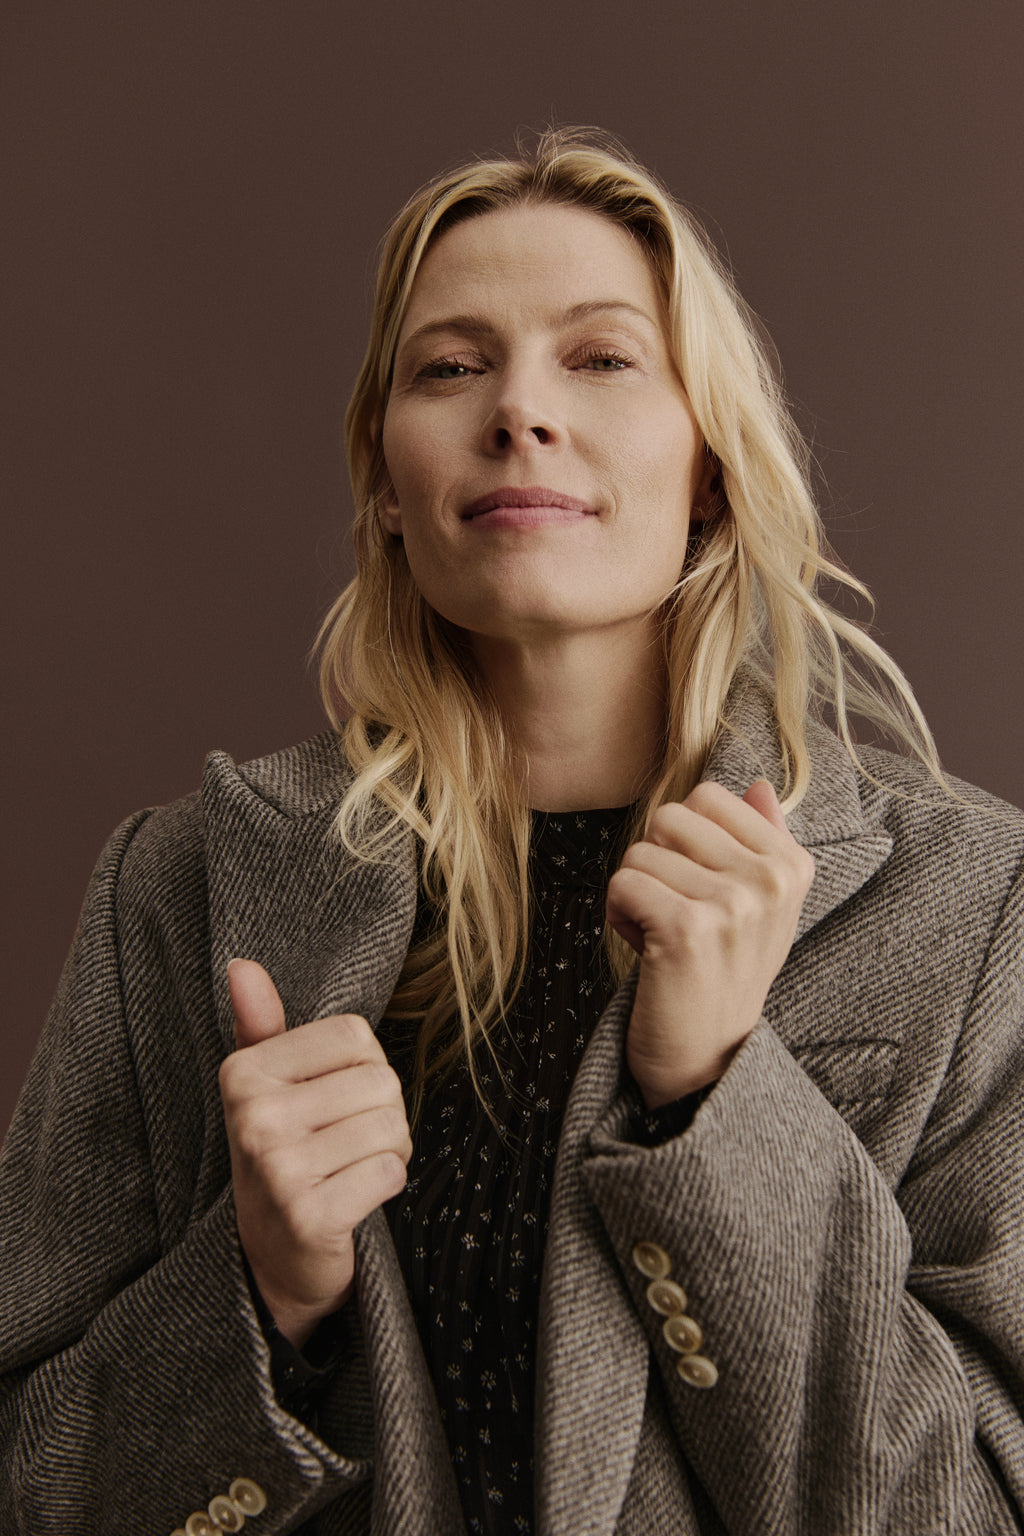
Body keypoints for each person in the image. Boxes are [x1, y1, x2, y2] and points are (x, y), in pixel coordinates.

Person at [1, 126, 1022, 1536]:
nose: (520, 411)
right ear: (387, 482)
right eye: (450, 367)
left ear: (708, 467)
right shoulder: (177, 890)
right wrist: (259, 1290)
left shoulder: (971, 903)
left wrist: (720, 1107)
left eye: (601, 358)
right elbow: (33, 1486)